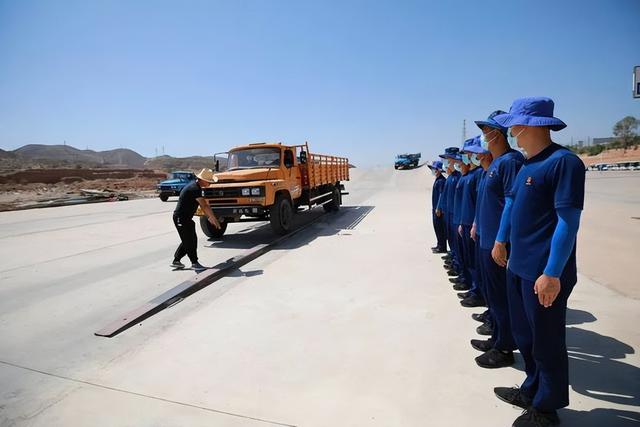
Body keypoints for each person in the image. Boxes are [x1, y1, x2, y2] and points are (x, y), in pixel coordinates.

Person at [491, 97, 585, 427]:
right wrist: (502, 239)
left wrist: (552, 273)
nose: (511, 130)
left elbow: (568, 222)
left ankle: (547, 408)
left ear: (531, 125)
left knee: (547, 342)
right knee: (525, 336)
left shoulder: (564, 163)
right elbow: (512, 204)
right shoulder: (528, 163)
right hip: (519, 266)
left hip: (543, 272)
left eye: (515, 123)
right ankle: (532, 388)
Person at [472, 110, 525, 369]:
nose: (484, 138)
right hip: (486, 238)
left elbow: (511, 203)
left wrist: (501, 239)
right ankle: (497, 337)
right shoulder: (494, 164)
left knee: (502, 297)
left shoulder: (510, 162)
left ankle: (505, 348)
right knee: (493, 294)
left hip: (497, 243)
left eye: (486, 132)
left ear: (498, 133)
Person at [171, 168, 221, 272]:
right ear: (202, 180)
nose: (210, 184)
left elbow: (204, 205)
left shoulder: (196, 186)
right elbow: (204, 205)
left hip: (186, 218)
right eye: (209, 181)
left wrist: (211, 217)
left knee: (189, 239)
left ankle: (176, 260)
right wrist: (212, 218)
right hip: (181, 218)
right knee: (190, 240)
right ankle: (194, 263)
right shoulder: (194, 188)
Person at [457, 136, 487, 309]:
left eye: (469, 154)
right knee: (469, 259)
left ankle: (477, 292)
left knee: (476, 263)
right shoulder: (472, 175)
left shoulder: (478, 175)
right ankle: (474, 288)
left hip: (477, 226)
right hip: (469, 222)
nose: (467, 157)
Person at [436, 147, 462, 277]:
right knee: (452, 240)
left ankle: (458, 266)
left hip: (455, 215)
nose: (446, 163)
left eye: (448, 160)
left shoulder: (457, 177)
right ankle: (454, 261)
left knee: (457, 243)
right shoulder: (451, 177)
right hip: (449, 213)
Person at [428, 160, 447, 253]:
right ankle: (439, 244)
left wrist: (438, 207)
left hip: (438, 209)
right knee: (436, 227)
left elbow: (441, 194)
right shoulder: (438, 179)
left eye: (434, 169)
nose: (433, 170)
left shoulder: (441, 181)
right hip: (435, 208)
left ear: (439, 170)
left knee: (440, 228)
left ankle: (442, 247)